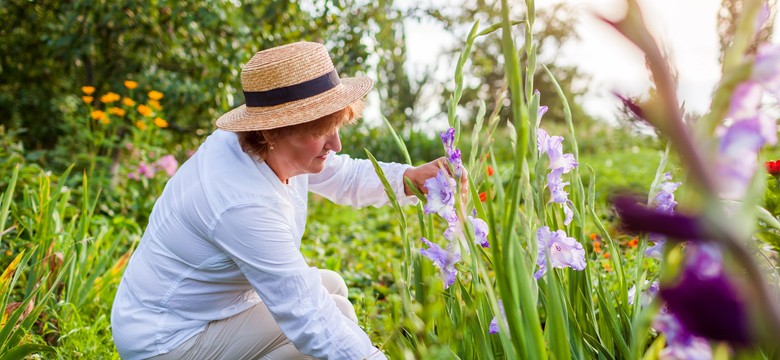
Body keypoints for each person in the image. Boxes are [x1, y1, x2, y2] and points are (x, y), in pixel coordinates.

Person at [111, 41, 454, 359]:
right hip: (167, 339)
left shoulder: (267, 148)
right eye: (321, 132)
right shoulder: (239, 201)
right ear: (270, 130)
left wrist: (410, 179)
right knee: (317, 333)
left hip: (207, 308)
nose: (335, 145)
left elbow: (344, 174)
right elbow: (310, 318)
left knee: (332, 288)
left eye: (337, 127)